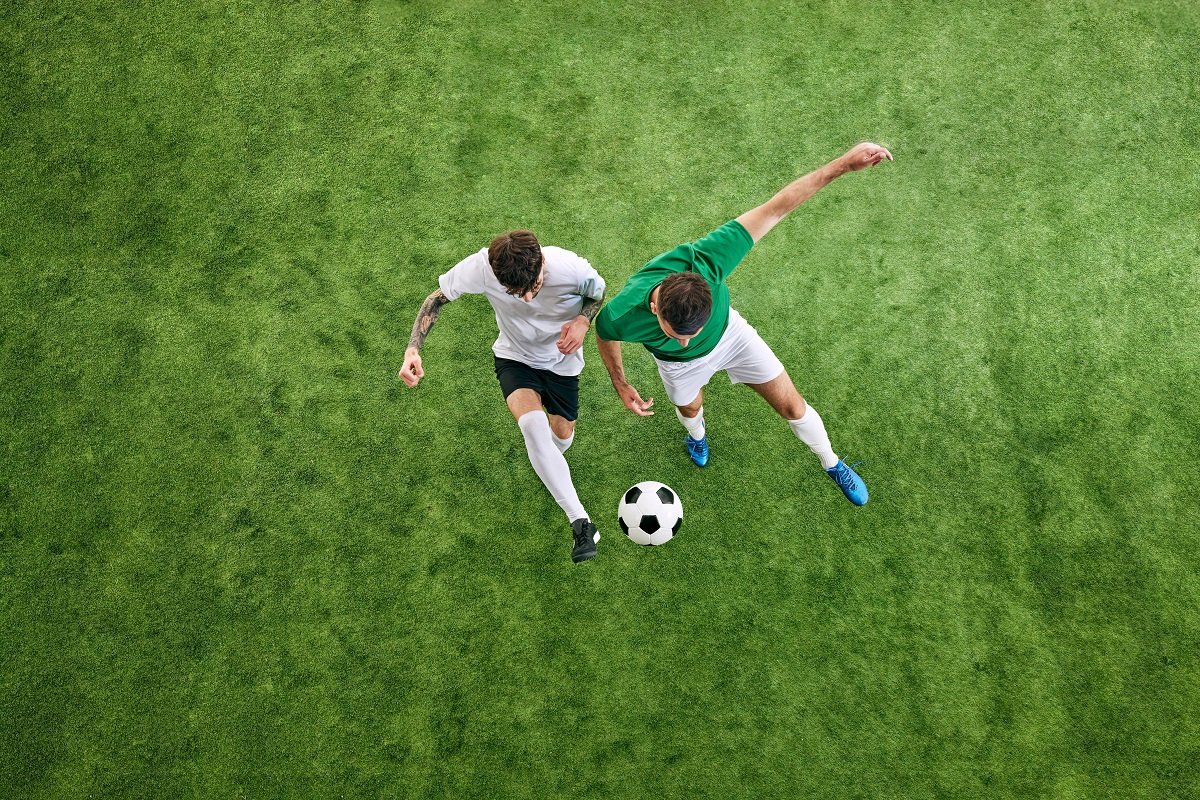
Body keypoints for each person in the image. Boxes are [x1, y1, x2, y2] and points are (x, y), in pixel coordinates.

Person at [594, 142, 893, 506]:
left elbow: (777, 208)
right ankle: (697, 435)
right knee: (689, 408)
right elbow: (604, 333)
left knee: (793, 406)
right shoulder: (623, 312)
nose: (686, 341)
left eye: (692, 333)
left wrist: (844, 164)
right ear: (655, 308)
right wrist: (620, 382)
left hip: (732, 338)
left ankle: (831, 463)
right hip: (677, 367)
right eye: (677, 334)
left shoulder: (708, 260)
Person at [399, 231, 606, 562]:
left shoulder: (572, 269)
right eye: (515, 293)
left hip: (562, 363)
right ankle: (581, 523)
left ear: (542, 264)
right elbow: (436, 298)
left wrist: (583, 319)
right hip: (515, 358)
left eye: (533, 289)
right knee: (533, 429)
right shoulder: (481, 267)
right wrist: (414, 348)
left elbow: (599, 293)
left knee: (561, 435)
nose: (525, 299)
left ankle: (551, 465)